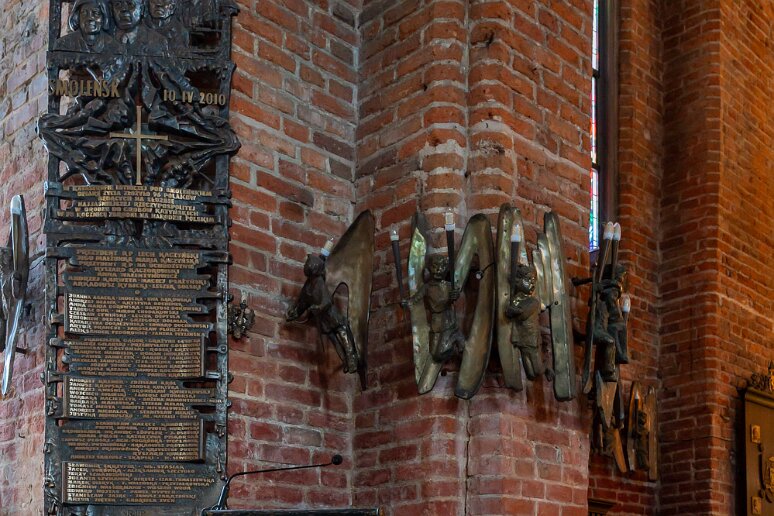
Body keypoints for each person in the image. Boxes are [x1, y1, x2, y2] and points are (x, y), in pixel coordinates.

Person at [286, 255, 359, 374]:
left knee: (342, 333)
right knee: (334, 340)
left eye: (307, 265)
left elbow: (327, 302)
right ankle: (345, 360)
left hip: (331, 315)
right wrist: (295, 313)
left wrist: (317, 307)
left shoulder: (319, 282)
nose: (305, 267)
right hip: (323, 320)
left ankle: (352, 358)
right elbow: (303, 303)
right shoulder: (307, 287)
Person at [505, 263, 549, 380]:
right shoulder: (516, 298)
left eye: (533, 280)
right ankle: (542, 370)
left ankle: (547, 367)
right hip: (521, 337)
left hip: (531, 337)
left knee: (537, 370)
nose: (532, 283)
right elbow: (510, 312)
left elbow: (523, 315)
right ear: (518, 281)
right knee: (530, 372)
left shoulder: (533, 302)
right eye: (528, 280)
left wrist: (513, 311)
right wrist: (512, 310)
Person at [54, 0, 120, 53]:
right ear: (77, 17)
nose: (89, 18)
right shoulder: (63, 44)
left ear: (104, 17)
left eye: (95, 13)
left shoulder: (114, 47)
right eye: (84, 13)